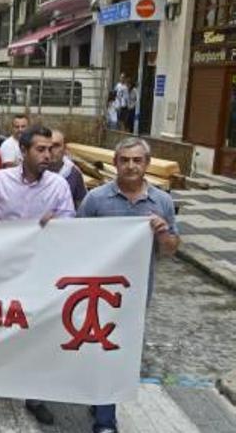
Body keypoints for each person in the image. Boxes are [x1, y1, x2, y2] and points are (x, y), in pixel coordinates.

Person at [0, 125, 74, 427]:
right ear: (24, 152)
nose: (48, 155)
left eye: (51, 149)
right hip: (1, 271)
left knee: (37, 333)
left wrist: (59, 224)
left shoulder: (58, 186)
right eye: (40, 149)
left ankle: (35, 395)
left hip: (41, 273)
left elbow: (71, 228)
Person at [78, 137, 180, 433]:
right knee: (99, 348)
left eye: (137, 160)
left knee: (120, 351)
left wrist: (163, 234)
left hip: (135, 295)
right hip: (96, 291)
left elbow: (172, 249)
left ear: (147, 164)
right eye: (125, 160)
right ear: (115, 163)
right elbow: (75, 239)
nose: (131, 166)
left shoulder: (162, 202)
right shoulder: (96, 199)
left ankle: (102, 405)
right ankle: (105, 419)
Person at [49, 129, 87, 208]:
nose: (52, 150)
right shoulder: (34, 173)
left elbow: (80, 205)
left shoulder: (74, 174)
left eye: (56, 145)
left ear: (65, 148)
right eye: (48, 146)